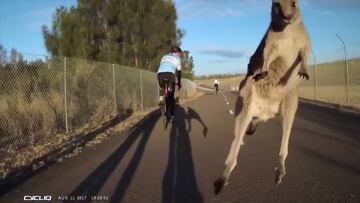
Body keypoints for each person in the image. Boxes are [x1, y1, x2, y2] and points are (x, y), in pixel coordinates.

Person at [157, 46, 182, 122]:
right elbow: (179, 73)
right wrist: (179, 82)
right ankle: (171, 116)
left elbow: (162, 66)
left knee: (163, 89)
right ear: (177, 52)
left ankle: (161, 97)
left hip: (160, 74)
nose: (180, 55)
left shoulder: (164, 56)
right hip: (170, 75)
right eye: (179, 53)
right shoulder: (178, 59)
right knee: (171, 97)